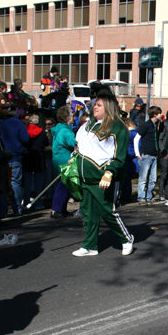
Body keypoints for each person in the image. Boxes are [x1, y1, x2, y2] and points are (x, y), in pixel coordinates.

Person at [71, 95, 134, 257]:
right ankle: (90, 245)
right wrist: (74, 156)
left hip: (103, 178)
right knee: (87, 212)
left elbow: (119, 156)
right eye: (95, 105)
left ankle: (126, 239)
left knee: (107, 211)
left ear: (108, 107)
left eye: (99, 105)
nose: (95, 107)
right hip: (86, 177)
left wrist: (109, 172)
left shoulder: (117, 126)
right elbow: (80, 146)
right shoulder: (87, 124)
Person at [50, 105, 76, 218]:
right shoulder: (64, 131)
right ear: (66, 118)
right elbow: (74, 143)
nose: (73, 116)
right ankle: (56, 209)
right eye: (71, 114)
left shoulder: (60, 128)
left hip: (59, 158)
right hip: (64, 159)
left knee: (64, 184)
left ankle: (61, 208)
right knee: (63, 184)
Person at [134, 106, 162, 203]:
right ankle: (141, 198)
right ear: (155, 114)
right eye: (159, 113)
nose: (161, 115)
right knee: (143, 178)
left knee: (153, 178)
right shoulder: (146, 125)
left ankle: (149, 197)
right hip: (146, 154)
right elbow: (136, 138)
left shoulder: (156, 125)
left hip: (154, 155)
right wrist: (137, 153)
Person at [157, 108, 168, 202]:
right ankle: (161, 194)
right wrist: (163, 151)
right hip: (165, 153)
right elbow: (160, 138)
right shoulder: (164, 124)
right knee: (164, 174)